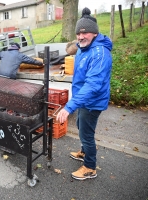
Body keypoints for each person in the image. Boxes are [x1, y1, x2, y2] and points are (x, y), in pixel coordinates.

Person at [56, 7, 113, 181]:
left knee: (86, 133)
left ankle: (89, 167)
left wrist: (69, 106)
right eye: (78, 34)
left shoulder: (100, 53)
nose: (81, 37)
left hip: (93, 100)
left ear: (94, 33)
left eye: (85, 33)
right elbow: (73, 50)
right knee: (81, 126)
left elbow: (93, 85)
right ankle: (84, 151)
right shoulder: (84, 47)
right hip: (83, 100)